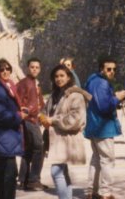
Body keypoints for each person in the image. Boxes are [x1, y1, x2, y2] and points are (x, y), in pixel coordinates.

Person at [40, 64, 91, 199]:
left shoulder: (75, 95)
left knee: (56, 171)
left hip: (67, 139)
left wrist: (54, 120)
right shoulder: (55, 95)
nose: (59, 79)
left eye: (62, 75)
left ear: (69, 77)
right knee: (63, 172)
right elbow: (45, 111)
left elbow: (76, 119)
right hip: (56, 138)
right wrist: (42, 118)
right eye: (56, 76)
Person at [0, 58, 27, 199]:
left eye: (8, 68)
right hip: (3, 139)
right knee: (7, 177)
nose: (6, 71)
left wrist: (19, 110)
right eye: (2, 69)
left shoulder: (7, 86)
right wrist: (18, 116)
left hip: (6, 139)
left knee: (6, 175)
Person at [83, 56, 125, 199]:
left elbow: (97, 101)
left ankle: (91, 190)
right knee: (107, 160)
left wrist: (113, 97)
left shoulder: (92, 80)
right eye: (109, 69)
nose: (112, 72)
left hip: (94, 126)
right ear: (102, 68)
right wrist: (118, 98)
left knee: (96, 159)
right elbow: (104, 106)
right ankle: (105, 191)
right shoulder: (102, 83)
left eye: (114, 69)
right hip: (103, 127)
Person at [17, 57, 47, 191]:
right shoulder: (25, 83)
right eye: (32, 67)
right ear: (27, 68)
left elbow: (39, 101)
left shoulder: (34, 82)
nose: (34, 69)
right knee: (39, 148)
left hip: (32, 119)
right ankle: (34, 180)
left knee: (28, 150)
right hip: (30, 119)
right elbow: (22, 102)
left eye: (37, 67)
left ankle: (23, 179)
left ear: (40, 69)